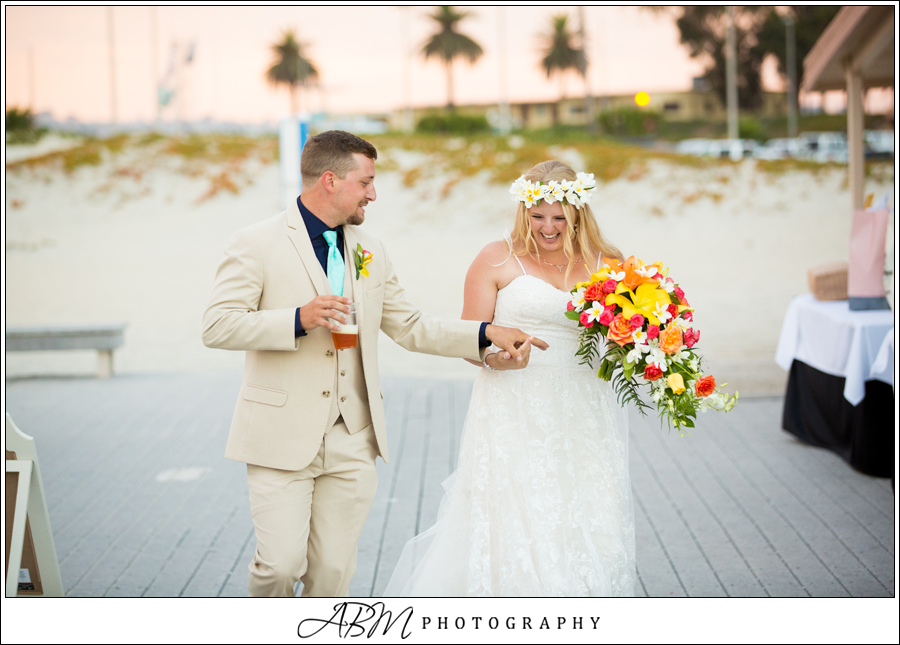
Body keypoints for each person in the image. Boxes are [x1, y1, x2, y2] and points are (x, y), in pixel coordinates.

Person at [202, 130, 546, 597]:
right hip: (279, 435)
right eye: (366, 182)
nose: (373, 193)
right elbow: (218, 325)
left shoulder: (370, 250)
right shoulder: (256, 242)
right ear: (330, 180)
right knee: (280, 567)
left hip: (353, 437)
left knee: (332, 575)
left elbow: (411, 326)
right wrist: (299, 319)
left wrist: (485, 333)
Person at [383, 160, 636, 596]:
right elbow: (470, 340)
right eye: (538, 216)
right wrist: (497, 359)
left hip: (584, 411)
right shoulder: (496, 257)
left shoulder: (608, 262)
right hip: (514, 408)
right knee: (520, 519)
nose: (548, 227)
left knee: (590, 516)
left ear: (578, 214)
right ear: (524, 211)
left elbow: (624, 333)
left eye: (560, 218)